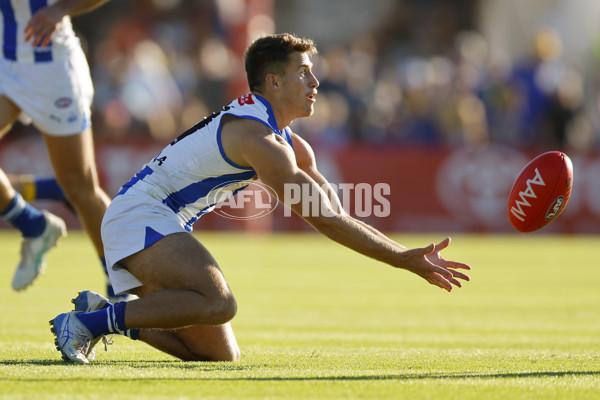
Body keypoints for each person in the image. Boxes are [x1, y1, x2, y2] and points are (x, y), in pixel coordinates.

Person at [49, 33, 472, 364]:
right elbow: (324, 221)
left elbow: (335, 212)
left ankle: (104, 317)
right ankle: (85, 323)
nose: (315, 82)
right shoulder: (260, 139)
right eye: (304, 72)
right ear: (273, 81)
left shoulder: (286, 142)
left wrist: (397, 252)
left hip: (153, 218)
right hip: (141, 216)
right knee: (220, 303)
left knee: (219, 354)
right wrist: (403, 259)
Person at [0, 0, 128, 300]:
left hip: (53, 68)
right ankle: (32, 224)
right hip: (7, 63)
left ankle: (122, 284)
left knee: (80, 187)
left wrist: (59, 9)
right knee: (77, 187)